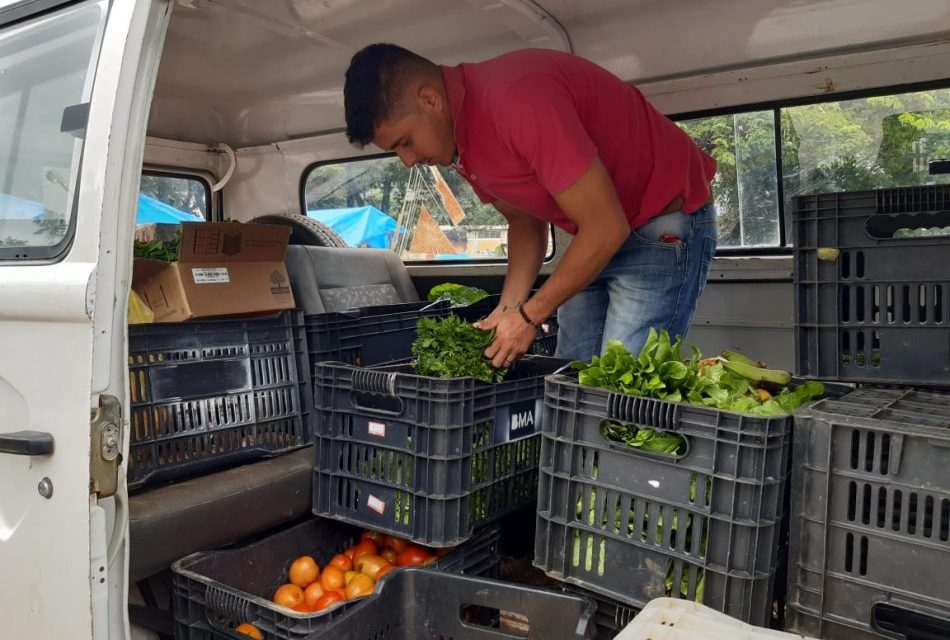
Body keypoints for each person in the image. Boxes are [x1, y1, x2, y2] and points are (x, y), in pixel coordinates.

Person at [343, 44, 717, 368]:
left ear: (430, 99)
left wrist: (530, 316)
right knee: (568, 377)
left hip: (660, 224)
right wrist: (508, 311)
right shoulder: (460, 143)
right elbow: (524, 222)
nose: (407, 160)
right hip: (592, 236)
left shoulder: (515, 101)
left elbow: (606, 226)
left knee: (623, 396)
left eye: (404, 142)